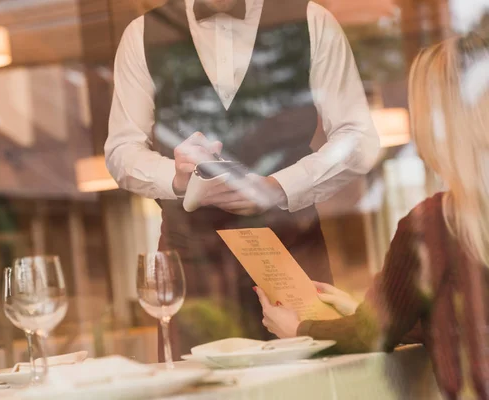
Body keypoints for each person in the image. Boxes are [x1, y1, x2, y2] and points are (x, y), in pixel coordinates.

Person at [106, 0, 379, 357]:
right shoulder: (141, 35)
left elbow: (358, 139)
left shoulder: (311, 20)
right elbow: (122, 151)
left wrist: (278, 187)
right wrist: (176, 179)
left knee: (308, 382)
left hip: (291, 248)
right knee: (197, 388)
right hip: (191, 259)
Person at [255, 32, 489, 399]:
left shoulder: (434, 223)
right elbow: (459, 323)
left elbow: (370, 336)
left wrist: (298, 328)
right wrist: (361, 310)